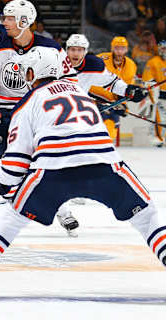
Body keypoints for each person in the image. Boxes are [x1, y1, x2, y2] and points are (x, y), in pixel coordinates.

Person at [0, 46, 166, 296]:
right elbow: (104, 82)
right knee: (147, 216)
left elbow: (15, 165)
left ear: (34, 72)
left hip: (53, 173)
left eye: (27, 72)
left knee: (12, 217)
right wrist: (126, 91)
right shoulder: (80, 90)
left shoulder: (27, 104)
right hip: (105, 166)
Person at [0, 0, 75, 234]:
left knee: (47, 160)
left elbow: (69, 79)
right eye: (5, 18)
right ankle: (8, 208)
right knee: (8, 163)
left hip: (38, 111)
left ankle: (62, 209)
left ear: (24, 21)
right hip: (6, 113)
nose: (4, 23)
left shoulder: (52, 49)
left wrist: (64, 106)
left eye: (9, 18)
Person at [54, 34, 148, 236]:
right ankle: (61, 208)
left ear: (85, 52)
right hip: (50, 119)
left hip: (74, 119)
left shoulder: (94, 65)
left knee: (83, 156)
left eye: (79, 50)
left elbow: (112, 83)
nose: (75, 54)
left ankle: (68, 200)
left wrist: (130, 91)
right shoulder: (55, 63)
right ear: (66, 50)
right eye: (72, 49)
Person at [90, 37, 138, 141]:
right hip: (94, 98)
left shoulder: (131, 65)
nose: (119, 51)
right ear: (112, 48)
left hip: (112, 101)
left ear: (126, 49)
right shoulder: (101, 59)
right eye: (117, 48)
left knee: (112, 131)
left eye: (122, 48)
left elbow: (126, 89)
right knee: (95, 128)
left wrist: (123, 105)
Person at [142, 40, 166, 146]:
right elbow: (147, 80)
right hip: (161, 95)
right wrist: (153, 95)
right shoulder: (153, 62)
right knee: (160, 119)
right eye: (163, 48)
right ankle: (158, 141)